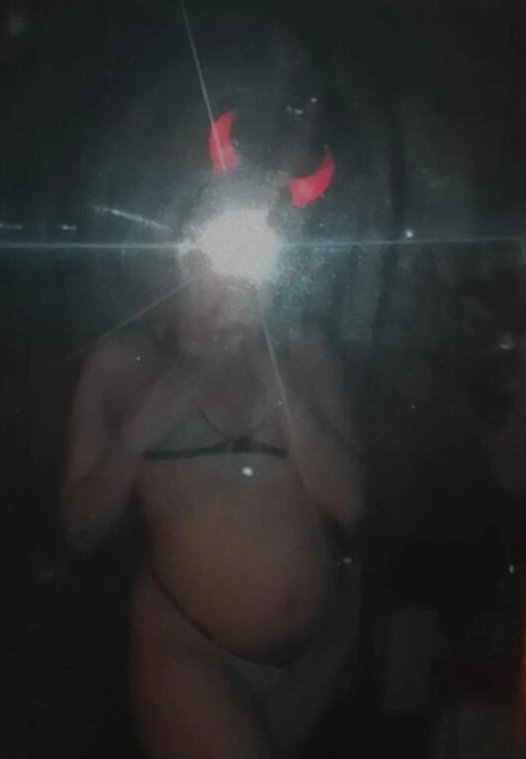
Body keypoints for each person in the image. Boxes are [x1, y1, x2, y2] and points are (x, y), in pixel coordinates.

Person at [61, 105, 364, 759]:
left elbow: (350, 505)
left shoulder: (303, 351)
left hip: (320, 646)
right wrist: (139, 429)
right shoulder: (122, 363)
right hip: (189, 651)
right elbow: (79, 528)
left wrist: (270, 370)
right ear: (179, 246)